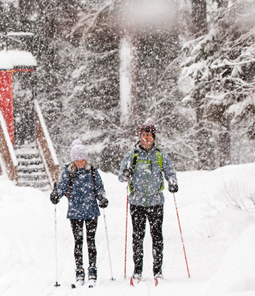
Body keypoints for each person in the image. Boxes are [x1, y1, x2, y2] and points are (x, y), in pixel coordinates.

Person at [118, 120, 179, 283]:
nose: (146, 138)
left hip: (156, 201)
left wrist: (173, 182)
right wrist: (126, 172)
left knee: (157, 236)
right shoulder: (132, 155)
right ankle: (137, 271)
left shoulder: (160, 154)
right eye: (143, 135)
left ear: (153, 137)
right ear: (140, 136)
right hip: (137, 202)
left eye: (149, 136)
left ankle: (157, 271)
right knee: (138, 237)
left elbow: (170, 172)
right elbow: (120, 177)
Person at [50, 140, 108, 285]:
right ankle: (79, 269)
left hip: (91, 211)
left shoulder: (92, 171)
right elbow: (62, 187)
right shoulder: (68, 172)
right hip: (75, 212)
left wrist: (102, 197)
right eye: (77, 159)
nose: (80, 161)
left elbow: (100, 187)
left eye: (82, 158)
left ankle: (92, 269)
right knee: (78, 242)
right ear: (73, 159)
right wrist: (56, 194)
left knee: (91, 241)